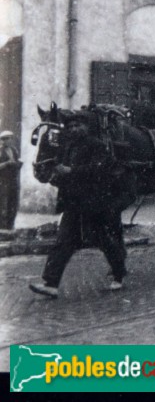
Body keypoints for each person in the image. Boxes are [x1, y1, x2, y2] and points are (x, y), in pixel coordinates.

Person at [29, 112, 128, 299]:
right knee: (63, 242)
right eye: (71, 126)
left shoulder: (97, 146)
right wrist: (56, 177)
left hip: (95, 203)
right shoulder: (67, 148)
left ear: (86, 127)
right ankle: (50, 284)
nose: (74, 129)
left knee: (104, 241)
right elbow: (63, 173)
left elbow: (100, 170)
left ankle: (119, 273)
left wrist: (71, 171)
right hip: (73, 203)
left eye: (78, 126)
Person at [0, 130, 21, 230]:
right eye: (5, 139)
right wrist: (7, 163)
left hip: (13, 180)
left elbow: (16, 162)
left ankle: (10, 226)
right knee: (4, 203)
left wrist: (18, 164)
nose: (7, 141)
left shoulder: (14, 150)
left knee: (13, 203)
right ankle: (3, 227)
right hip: (3, 181)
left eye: (9, 138)